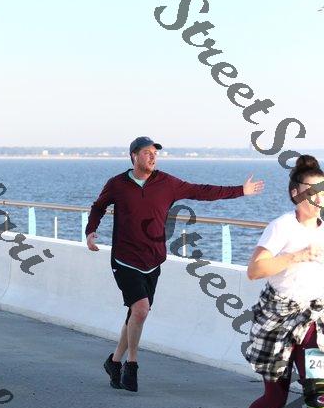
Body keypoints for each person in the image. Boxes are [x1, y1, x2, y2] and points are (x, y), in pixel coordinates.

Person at [86, 136, 264, 392]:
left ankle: (114, 362)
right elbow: (98, 207)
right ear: (134, 156)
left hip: (153, 259)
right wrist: (91, 231)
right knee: (141, 310)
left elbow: (201, 191)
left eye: (155, 153)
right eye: (147, 153)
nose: (153, 157)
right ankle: (131, 365)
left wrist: (240, 190)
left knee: (136, 312)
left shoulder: (167, 183)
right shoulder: (117, 184)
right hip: (125, 259)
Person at [226, 154, 324, 408]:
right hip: (278, 321)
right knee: (275, 398)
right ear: (296, 193)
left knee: (319, 397)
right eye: (312, 189)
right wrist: (297, 256)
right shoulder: (282, 226)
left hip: (312, 324)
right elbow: (255, 270)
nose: (319, 196)